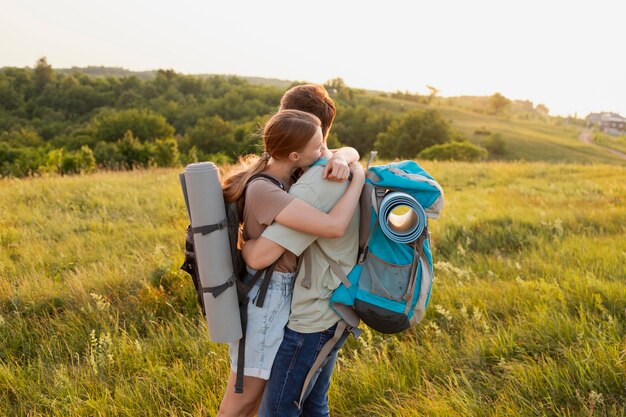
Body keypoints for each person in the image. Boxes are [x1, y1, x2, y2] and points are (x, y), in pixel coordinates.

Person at [217, 108, 364, 417]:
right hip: (267, 297)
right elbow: (334, 226)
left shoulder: (289, 173)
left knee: (257, 398)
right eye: (318, 147)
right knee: (246, 398)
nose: (324, 151)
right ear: (295, 155)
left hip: (278, 292)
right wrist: (358, 178)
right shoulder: (265, 188)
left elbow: (340, 151)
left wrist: (344, 157)